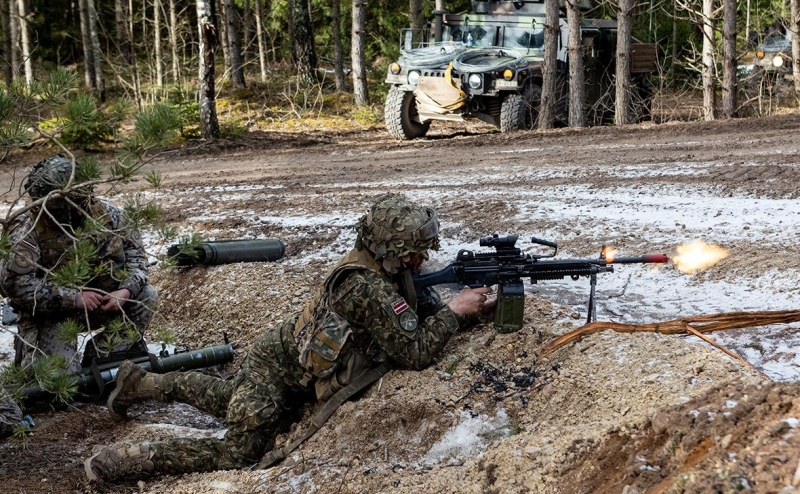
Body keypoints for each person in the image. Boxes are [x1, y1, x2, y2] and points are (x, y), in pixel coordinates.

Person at [84, 193, 495, 481]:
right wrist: (456, 312)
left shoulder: (380, 267)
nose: (423, 259)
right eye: (415, 251)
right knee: (240, 450)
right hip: (275, 372)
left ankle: (144, 383)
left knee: (230, 399)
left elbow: (412, 318)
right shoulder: (366, 286)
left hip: (284, 366)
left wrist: (462, 308)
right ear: (391, 249)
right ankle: (132, 458)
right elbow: (415, 353)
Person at [0, 155, 158, 373]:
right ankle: (30, 350)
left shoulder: (109, 217)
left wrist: (125, 291)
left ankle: (104, 355)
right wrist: (72, 297)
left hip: (102, 303)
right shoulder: (28, 229)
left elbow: (137, 259)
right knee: (61, 380)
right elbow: (15, 285)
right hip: (52, 314)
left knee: (146, 296)